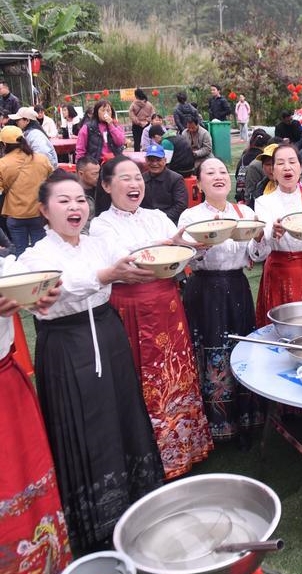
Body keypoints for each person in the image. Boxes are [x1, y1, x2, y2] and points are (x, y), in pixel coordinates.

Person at [15, 171, 165, 552]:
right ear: (43, 211)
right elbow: (57, 285)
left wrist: (169, 246)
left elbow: (131, 260)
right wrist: (106, 275)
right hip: (67, 345)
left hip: (108, 333)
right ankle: (96, 521)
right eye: (63, 201)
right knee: (83, 421)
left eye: (80, 199)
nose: (75, 207)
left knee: (122, 413)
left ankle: (135, 500)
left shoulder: (98, 243)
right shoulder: (35, 256)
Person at [90, 156, 213, 480]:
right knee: (142, 376)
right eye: (125, 178)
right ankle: (150, 453)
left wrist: (193, 245)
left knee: (177, 370)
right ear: (106, 185)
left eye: (138, 178)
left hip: (168, 303)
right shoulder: (103, 224)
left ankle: (186, 443)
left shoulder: (157, 216)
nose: (135, 184)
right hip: (130, 306)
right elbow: (123, 259)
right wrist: (165, 244)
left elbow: (179, 249)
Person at [178, 158, 266, 444]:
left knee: (241, 348)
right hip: (204, 288)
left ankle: (246, 417)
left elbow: (256, 254)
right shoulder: (190, 217)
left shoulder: (245, 211)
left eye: (221, 172)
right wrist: (200, 248)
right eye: (209, 173)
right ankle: (216, 422)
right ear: (200, 183)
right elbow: (184, 260)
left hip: (237, 286)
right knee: (211, 348)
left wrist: (261, 237)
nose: (218, 177)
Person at [0, 257, 72, 574]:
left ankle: (39, 565)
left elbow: (20, 281)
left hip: (5, 383)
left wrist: (37, 294)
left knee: (24, 478)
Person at [253, 144, 302, 325]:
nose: (287, 167)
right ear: (273, 171)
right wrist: (270, 233)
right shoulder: (263, 202)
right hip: (278, 270)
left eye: (292, 162)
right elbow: (260, 245)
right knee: (280, 328)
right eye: (280, 163)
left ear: (300, 168)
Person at [0, 125, 53, 256]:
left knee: (21, 252)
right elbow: (51, 179)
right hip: (39, 212)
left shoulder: (3, 163)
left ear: (4, 144)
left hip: (16, 214)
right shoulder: (42, 159)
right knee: (41, 252)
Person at [141, 143, 187, 223]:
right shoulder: (141, 179)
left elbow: (181, 205)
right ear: (146, 160)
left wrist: (160, 220)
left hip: (170, 221)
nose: (154, 164)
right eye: (151, 160)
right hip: (146, 221)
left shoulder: (176, 179)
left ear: (165, 160)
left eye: (158, 160)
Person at [75, 155, 102, 223]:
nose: (98, 177)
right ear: (81, 174)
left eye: (99, 173)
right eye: (94, 174)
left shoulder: (103, 190)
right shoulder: (72, 195)